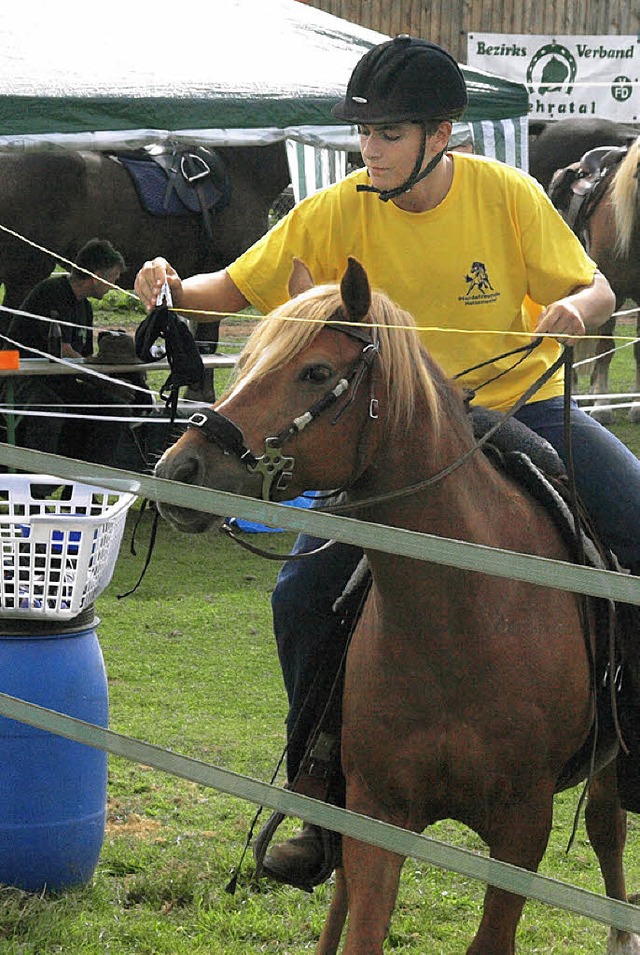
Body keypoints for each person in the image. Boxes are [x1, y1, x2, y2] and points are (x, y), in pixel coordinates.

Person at [134, 35, 640, 888]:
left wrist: (573, 308)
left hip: (516, 407)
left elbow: (592, 283)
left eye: (390, 132)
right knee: (299, 594)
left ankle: (627, 733)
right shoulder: (338, 208)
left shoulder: (506, 194)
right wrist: (171, 287)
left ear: (441, 135)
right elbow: (243, 285)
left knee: (634, 520)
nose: (370, 148)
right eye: (363, 133)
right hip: (397, 439)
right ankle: (318, 790)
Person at [3, 238, 142, 471]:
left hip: (58, 380)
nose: (115, 285)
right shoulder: (51, 291)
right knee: (49, 409)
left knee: (114, 409)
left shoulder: (85, 306)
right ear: (97, 275)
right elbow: (65, 353)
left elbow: (82, 358)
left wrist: (109, 381)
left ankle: (82, 485)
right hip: (19, 376)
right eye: (113, 278)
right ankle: (37, 490)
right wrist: (105, 378)